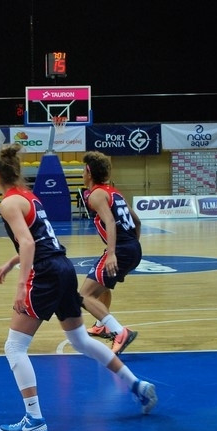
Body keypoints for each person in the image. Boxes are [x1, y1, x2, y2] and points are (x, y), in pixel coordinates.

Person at [0, 143, 157, 431]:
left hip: (44, 274)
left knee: (14, 347)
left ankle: (34, 418)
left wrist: (20, 284)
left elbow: (30, 244)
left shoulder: (8, 203)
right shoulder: (29, 197)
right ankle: (137, 385)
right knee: (79, 339)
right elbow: (41, 240)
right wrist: (11, 261)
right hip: (64, 267)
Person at [78, 151, 142, 355]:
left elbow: (110, 222)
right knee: (102, 286)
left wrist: (113, 252)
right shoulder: (114, 192)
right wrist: (132, 245)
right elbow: (137, 221)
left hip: (121, 249)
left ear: (89, 171)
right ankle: (101, 324)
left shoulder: (96, 194)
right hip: (133, 247)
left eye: (83, 169)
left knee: (83, 296)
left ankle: (119, 331)